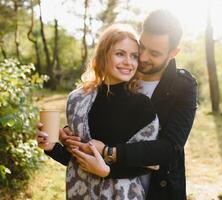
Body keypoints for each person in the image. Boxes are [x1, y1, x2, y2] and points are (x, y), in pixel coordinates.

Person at [61, 10, 198, 200]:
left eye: (155, 53)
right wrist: (73, 132)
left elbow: (169, 148)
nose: (142, 58)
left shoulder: (183, 86)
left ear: (173, 53)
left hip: (159, 188)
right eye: (142, 47)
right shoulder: (122, 73)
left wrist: (108, 153)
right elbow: (101, 120)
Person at [36, 24, 160, 199]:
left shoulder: (142, 105)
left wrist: (107, 171)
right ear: (103, 56)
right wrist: (51, 148)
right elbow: (76, 161)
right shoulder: (77, 100)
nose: (128, 62)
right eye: (120, 54)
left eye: (134, 56)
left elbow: (149, 163)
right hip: (79, 193)